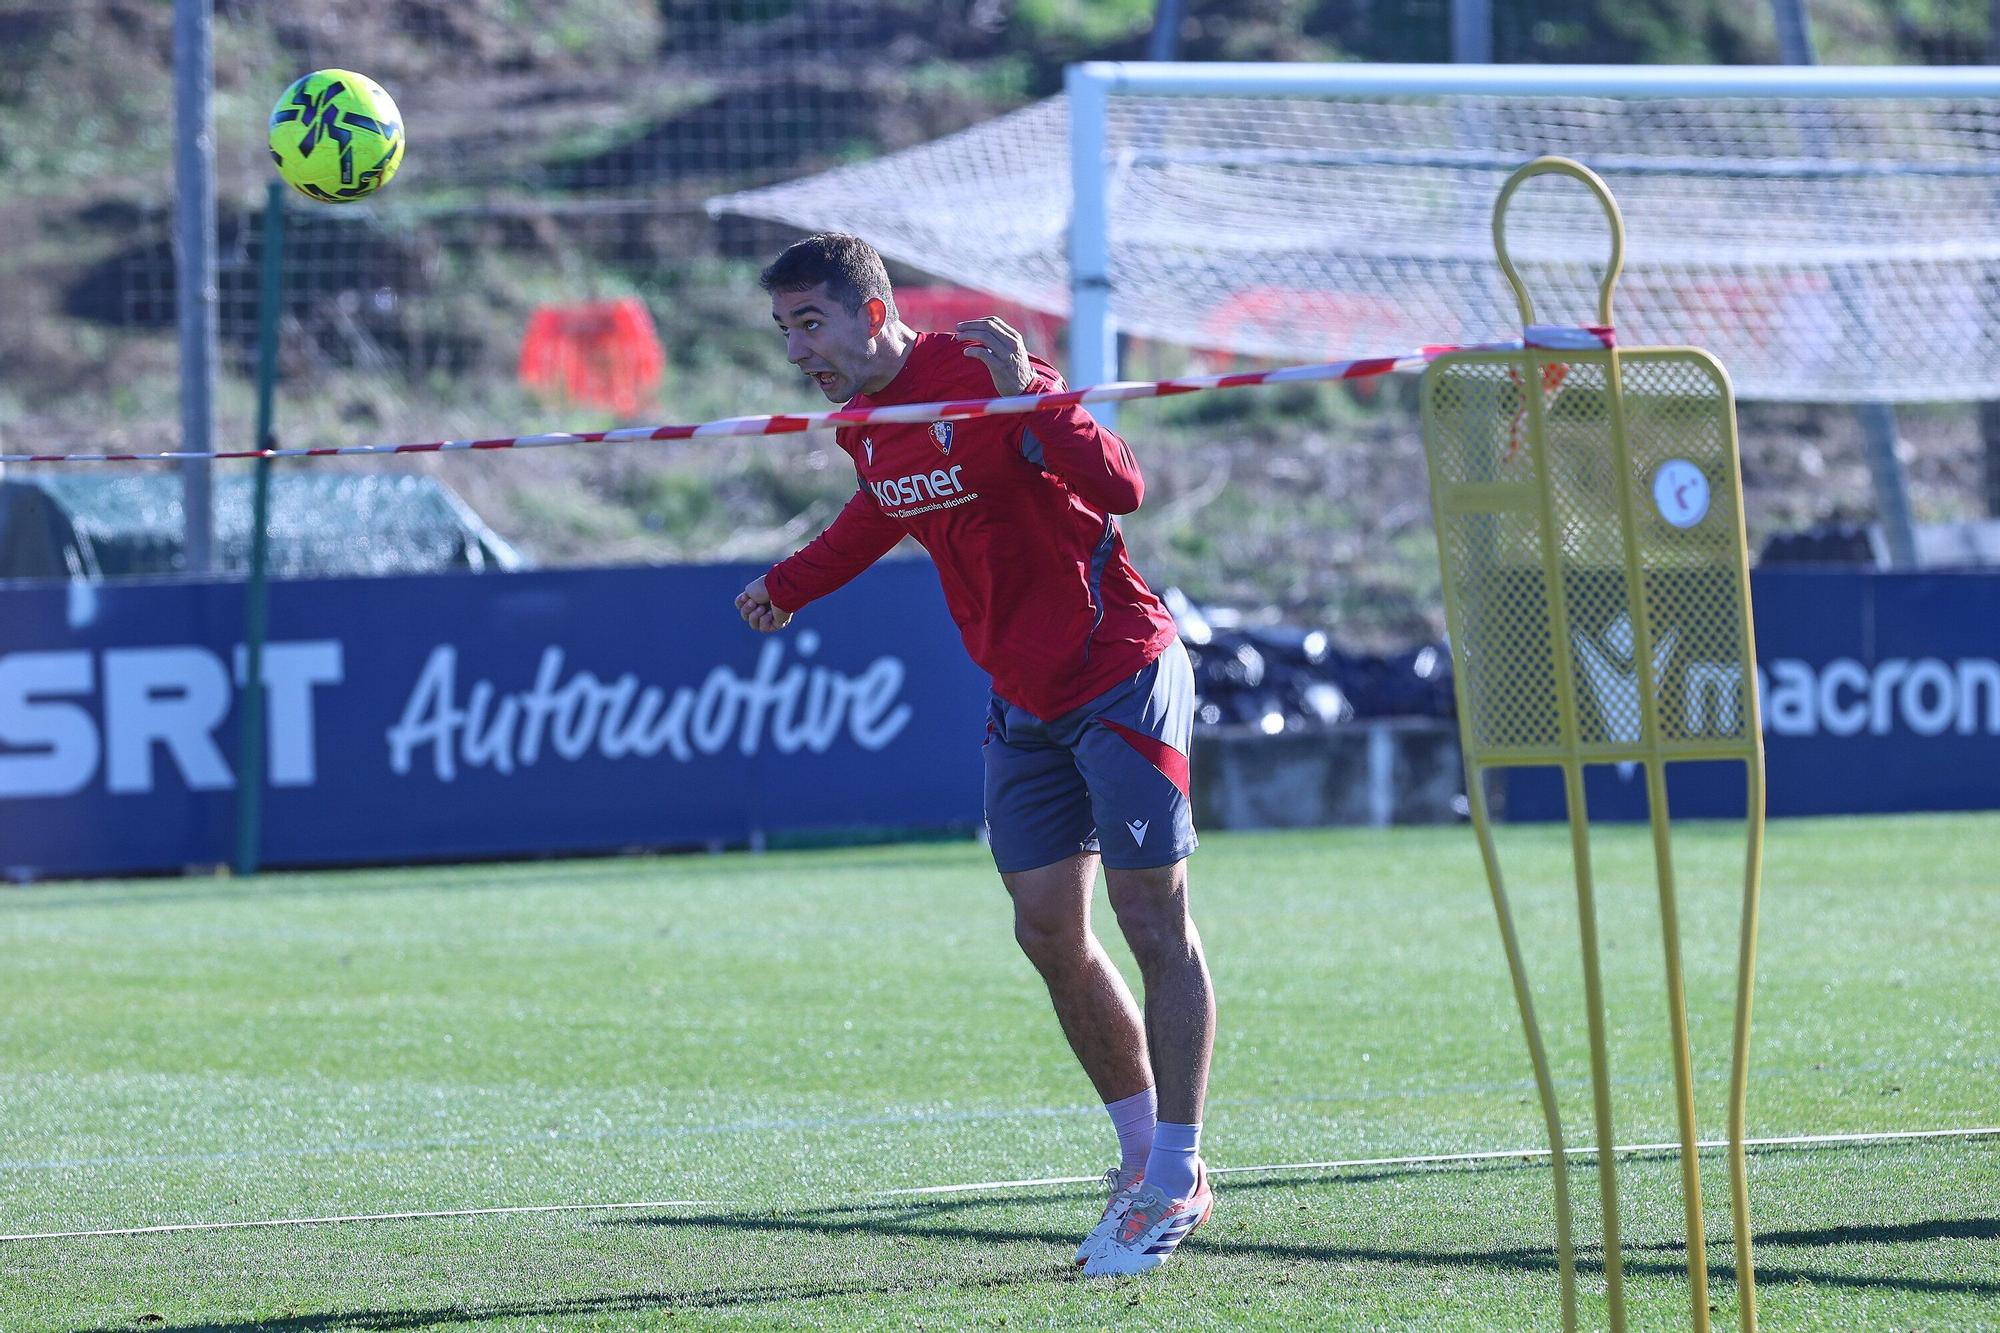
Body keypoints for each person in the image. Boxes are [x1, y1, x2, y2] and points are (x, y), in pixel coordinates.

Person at [734, 233, 1216, 1276]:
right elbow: (880, 511)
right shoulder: (863, 424)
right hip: (1021, 695)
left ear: (873, 312)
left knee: (1150, 918)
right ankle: (1140, 1158)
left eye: (810, 323)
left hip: (1118, 669)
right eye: (784, 330)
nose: (796, 349)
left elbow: (1121, 485)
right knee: (1046, 929)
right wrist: (790, 583)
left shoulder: (986, 367)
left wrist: (1030, 397)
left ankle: (1178, 1174)